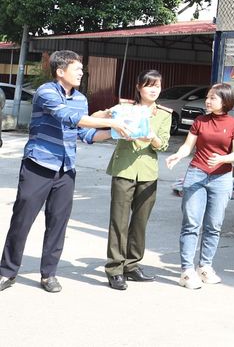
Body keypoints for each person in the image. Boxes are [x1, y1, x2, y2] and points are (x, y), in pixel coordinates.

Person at [0, 50, 130, 293]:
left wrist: (118, 133)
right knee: (22, 220)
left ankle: (48, 274)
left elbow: (85, 134)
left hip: (66, 169)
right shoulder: (46, 92)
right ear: (61, 71)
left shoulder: (81, 98)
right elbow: (67, 116)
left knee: (58, 223)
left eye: (82, 69)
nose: (82, 72)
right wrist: (108, 120)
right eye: (77, 69)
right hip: (39, 165)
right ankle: (7, 271)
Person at [92, 70, 172, 291]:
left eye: (157, 85)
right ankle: (115, 269)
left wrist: (153, 138)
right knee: (119, 220)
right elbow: (106, 125)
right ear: (138, 87)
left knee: (140, 222)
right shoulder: (125, 109)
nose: (154, 89)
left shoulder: (164, 114)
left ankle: (132, 264)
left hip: (148, 172)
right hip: (124, 168)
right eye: (149, 85)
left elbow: (163, 145)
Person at [165, 83, 234, 290]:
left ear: (225, 101)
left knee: (214, 225)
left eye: (212, 98)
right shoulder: (200, 121)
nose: (207, 101)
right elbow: (187, 146)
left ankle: (205, 267)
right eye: (208, 97)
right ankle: (187, 271)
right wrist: (178, 155)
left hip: (222, 178)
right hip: (197, 173)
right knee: (191, 223)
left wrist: (222, 159)